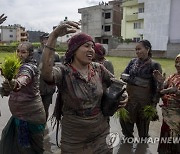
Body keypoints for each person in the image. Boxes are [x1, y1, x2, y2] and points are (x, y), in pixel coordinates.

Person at [41, 21, 127, 153]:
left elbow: (118, 84)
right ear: (74, 49)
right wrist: (53, 36)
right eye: (86, 46)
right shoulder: (64, 71)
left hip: (101, 131)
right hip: (74, 136)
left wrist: (125, 95)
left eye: (92, 47)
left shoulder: (98, 69)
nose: (91, 50)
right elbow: (47, 75)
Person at [0, 42, 46, 154]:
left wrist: (15, 83)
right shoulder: (16, 67)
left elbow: (24, 78)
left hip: (31, 117)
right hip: (18, 116)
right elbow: (8, 90)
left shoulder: (29, 67)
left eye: (23, 52)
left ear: (30, 54)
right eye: (18, 51)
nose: (19, 54)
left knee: (32, 149)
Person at [120, 40, 162, 139]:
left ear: (147, 49)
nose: (137, 52)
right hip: (130, 98)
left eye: (139, 49)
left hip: (144, 100)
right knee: (126, 120)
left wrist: (153, 104)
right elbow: (123, 74)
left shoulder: (154, 65)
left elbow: (157, 86)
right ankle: (128, 138)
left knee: (143, 123)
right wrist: (125, 77)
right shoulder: (132, 62)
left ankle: (143, 142)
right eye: (136, 50)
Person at [153, 54, 180, 154]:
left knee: (175, 138)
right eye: (176, 62)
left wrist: (177, 92)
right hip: (167, 113)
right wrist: (160, 83)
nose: (178, 65)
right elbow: (161, 91)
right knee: (166, 134)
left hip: (177, 116)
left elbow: (173, 91)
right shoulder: (172, 76)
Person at [33, 33, 60, 120]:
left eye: (50, 39)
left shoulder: (55, 55)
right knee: (35, 110)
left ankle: (42, 128)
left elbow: (58, 71)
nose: (48, 41)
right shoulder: (34, 54)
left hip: (49, 88)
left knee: (45, 110)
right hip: (35, 87)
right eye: (46, 39)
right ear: (41, 40)